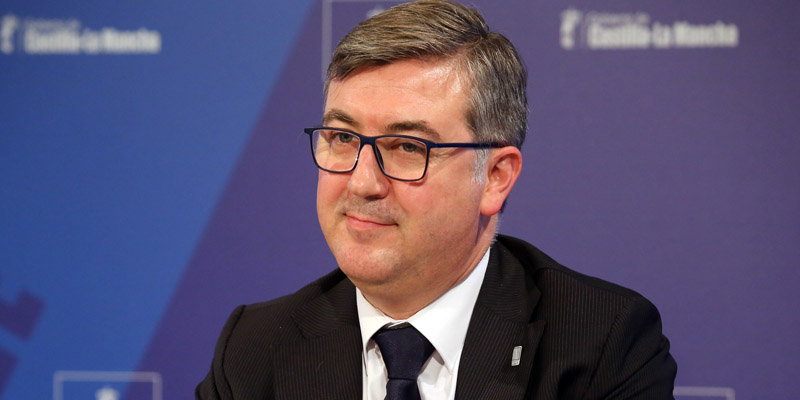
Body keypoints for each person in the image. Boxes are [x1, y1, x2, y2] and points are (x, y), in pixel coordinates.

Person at [196, 0, 677, 399]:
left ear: (495, 177)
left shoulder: (599, 346)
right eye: (342, 138)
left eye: (408, 147)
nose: (362, 183)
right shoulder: (255, 350)